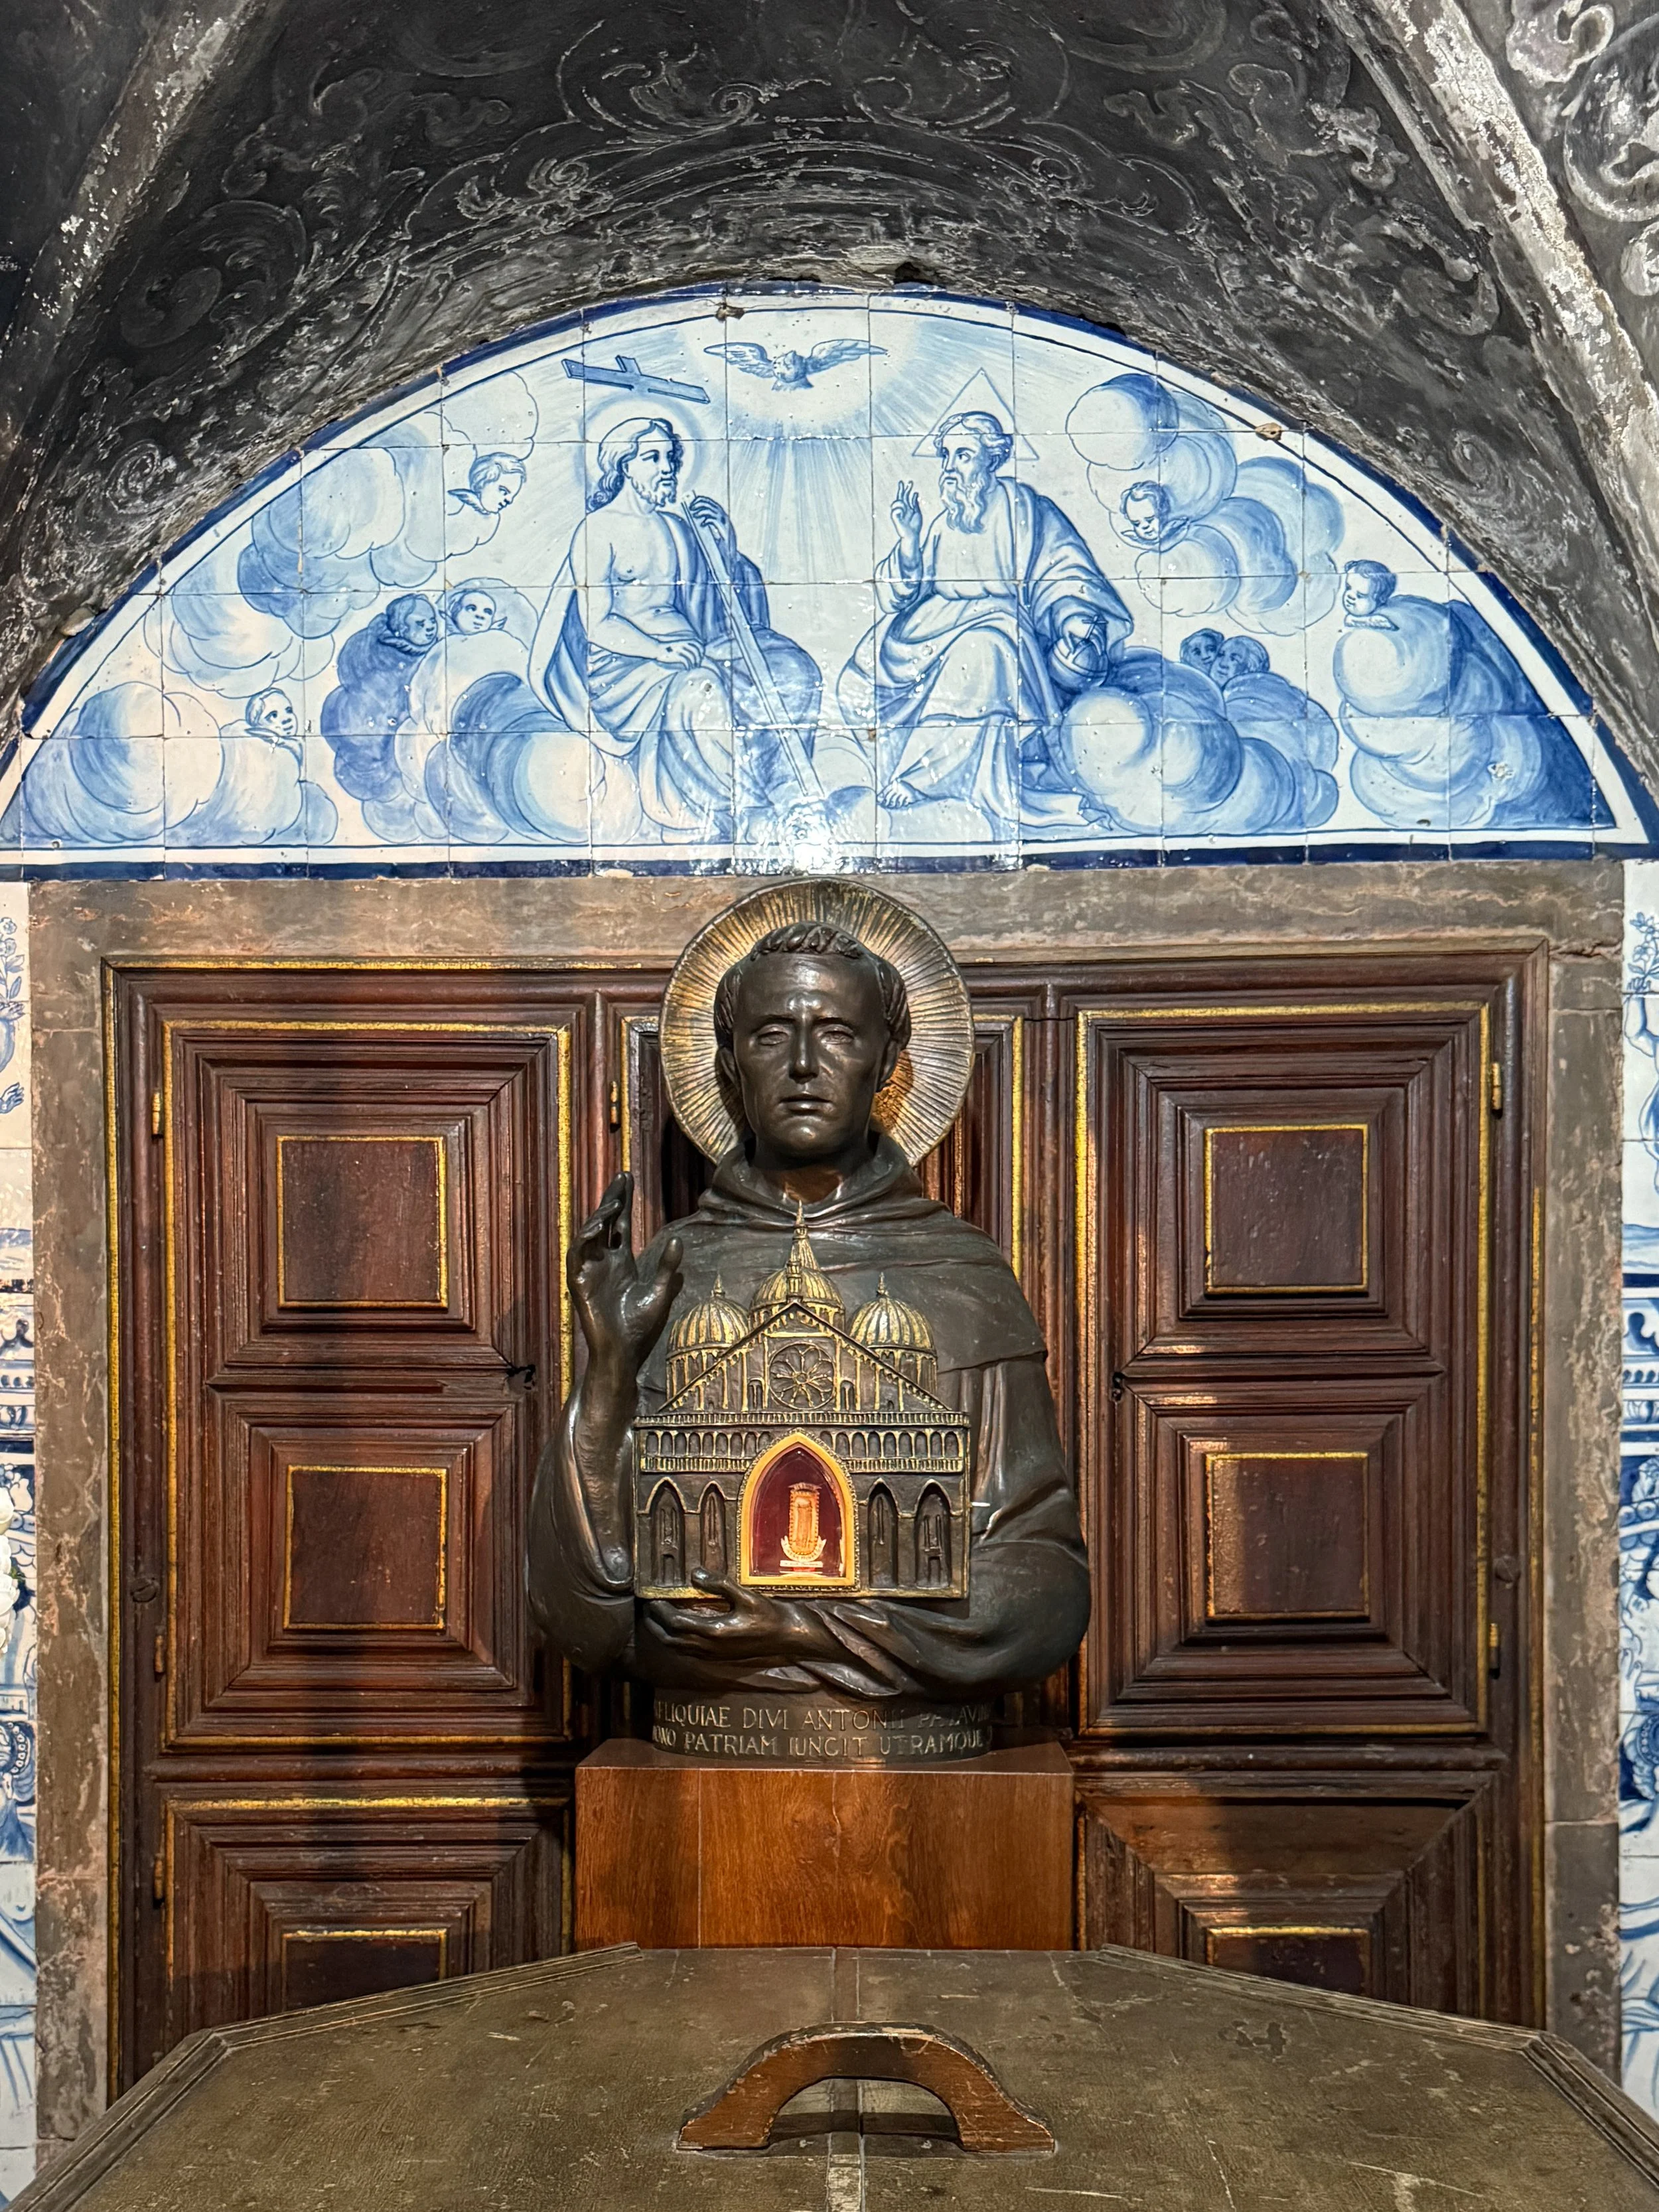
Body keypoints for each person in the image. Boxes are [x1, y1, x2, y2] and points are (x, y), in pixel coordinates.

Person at [527, 917, 1089, 1699]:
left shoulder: (964, 1276)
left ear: (886, 1062)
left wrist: (808, 1628)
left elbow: (1044, 1586)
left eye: (834, 1034)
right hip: (704, 1725)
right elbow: (581, 1618)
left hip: (911, 1749)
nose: (800, 1065)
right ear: (728, 1065)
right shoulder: (670, 1272)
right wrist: (611, 1371)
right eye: (768, 1036)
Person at [837, 411, 1131, 832]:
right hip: (928, 630)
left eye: (963, 455)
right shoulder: (944, 522)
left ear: (991, 460)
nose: (950, 468)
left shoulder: (1027, 511)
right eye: (947, 456)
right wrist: (909, 539)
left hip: (997, 627)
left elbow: (1064, 572)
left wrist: (1076, 619)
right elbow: (902, 595)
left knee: (982, 652)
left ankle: (925, 778)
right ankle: (905, 767)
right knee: (857, 679)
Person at [532, 416, 821, 840]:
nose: (667, 467)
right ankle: (744, 809)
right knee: (700, 690)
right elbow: (597, 624)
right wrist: (657, 650)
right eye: (652, 457)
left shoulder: (676, 527)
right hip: (625, 668)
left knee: (793, 668)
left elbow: (713, 606)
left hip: (690, 648)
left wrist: (725, 546)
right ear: (625, 466)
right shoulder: (599, 530)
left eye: (670, 456)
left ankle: (792, 794)